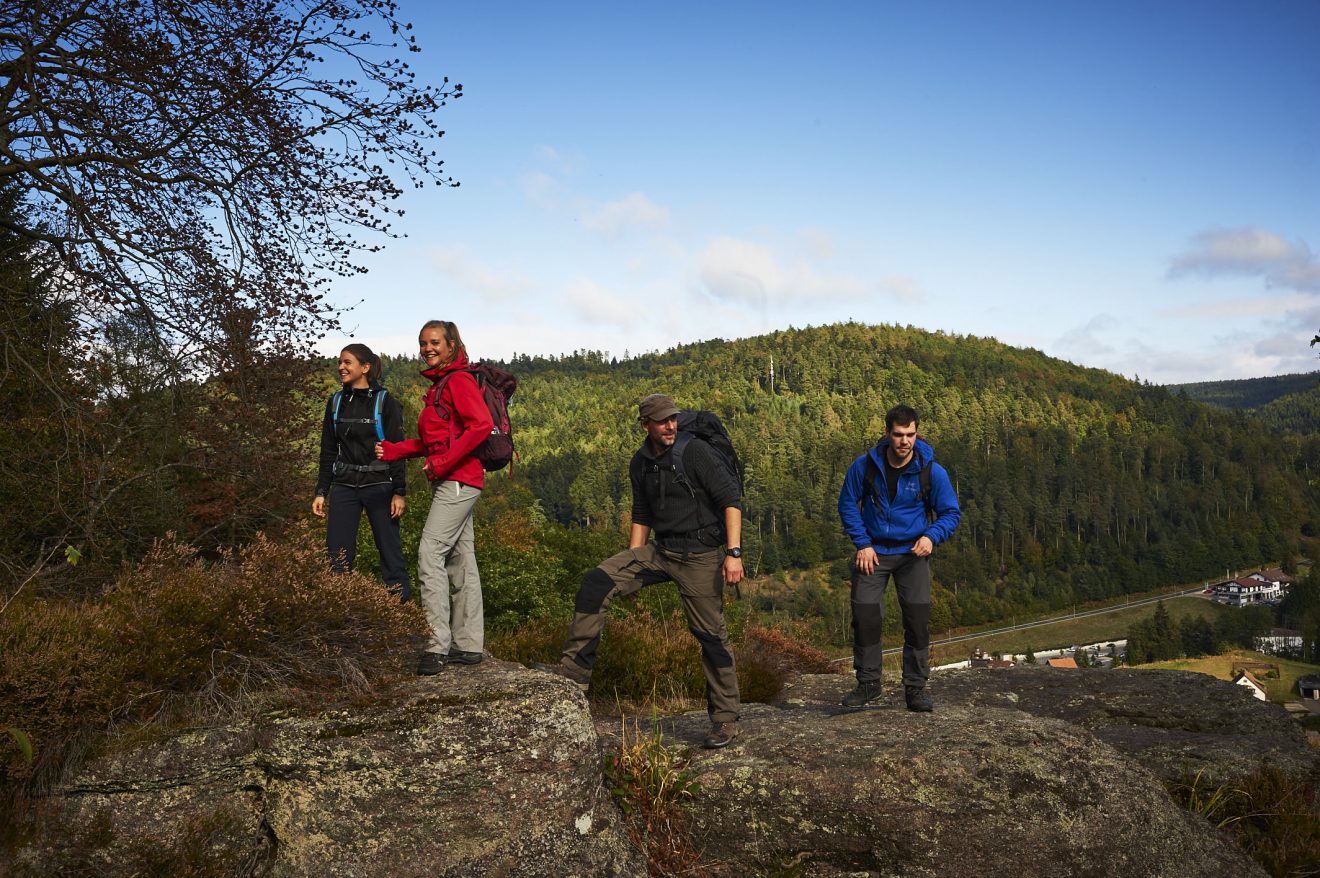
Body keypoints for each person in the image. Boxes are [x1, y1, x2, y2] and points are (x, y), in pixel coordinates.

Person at [535, 393, 745, 749]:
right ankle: (574, 672)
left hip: (701, 554)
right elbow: (642, 513)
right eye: (662, 421)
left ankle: (725, 720)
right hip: (661, 551)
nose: (670, 426)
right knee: (596, 583)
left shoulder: (695, 452)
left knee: (710, 635)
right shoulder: (641, 462)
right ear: (645, 425)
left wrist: (734, 554)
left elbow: (730, 500)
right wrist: (632, 563)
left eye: (673, 419)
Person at [377, 320, 493, 676]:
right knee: (461, 560)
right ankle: (469, 646)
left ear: (451, 344)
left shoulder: (457, 381)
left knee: (430, 553)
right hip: (456, 481)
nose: (427, 348)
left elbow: (481, 425)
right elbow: (432, 442)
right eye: (422, 343)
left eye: (434, 342)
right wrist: (395, 450)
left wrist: (442, 462)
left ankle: (436, 644)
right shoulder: (443, 384)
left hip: (458, 481)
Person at [836, 404, 961, 712]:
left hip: (912, 554)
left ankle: (915, 688)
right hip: (873, 553)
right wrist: (862, 543)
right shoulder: (864, 466)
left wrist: (931, 537)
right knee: (866, 618)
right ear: (887, 433)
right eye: (898, 434)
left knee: (917, 622)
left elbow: (950, 513)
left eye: (910, 434)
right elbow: (848, 504)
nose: (905, 441)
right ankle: (868, 685)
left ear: (917, 434)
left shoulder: (932, 470)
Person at [313, 343, 409, 601]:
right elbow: (328, 449)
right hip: (344, 486)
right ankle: (339, 613)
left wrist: (399, 491)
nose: (341, 367)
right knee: (337, 555)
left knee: (390, 553)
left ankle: (400, 614)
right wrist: (321, 490)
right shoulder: (335, 402)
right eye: (340, 362)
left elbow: (397, 449)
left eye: (347, 362)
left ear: (365, 367)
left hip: (379, 485)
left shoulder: (386, 402)